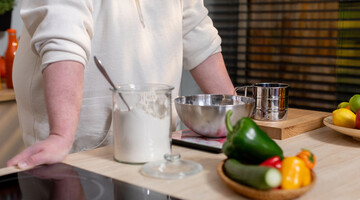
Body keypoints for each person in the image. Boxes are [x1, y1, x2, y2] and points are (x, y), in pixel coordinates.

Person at [7, 0, 235, 169]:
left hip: (158, 145)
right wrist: (60, 136)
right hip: (78, 156)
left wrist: (234, 116)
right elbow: (63, 34)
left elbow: (198, 35)